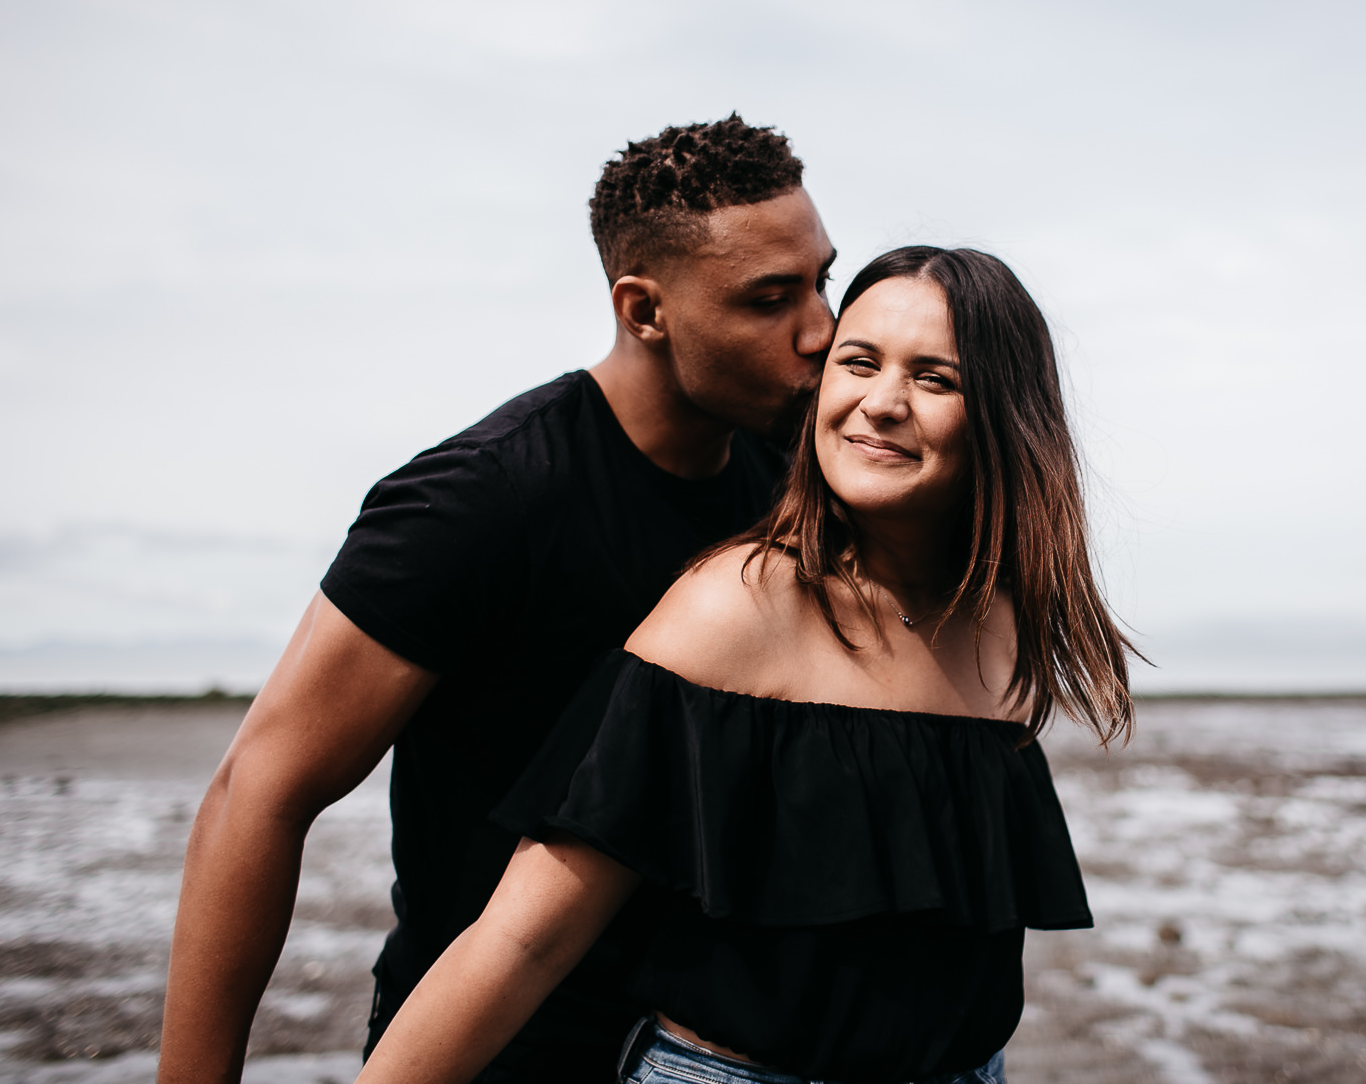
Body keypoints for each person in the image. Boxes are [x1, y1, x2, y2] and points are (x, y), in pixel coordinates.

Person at [157, 116, 838, 1084]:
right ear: (644, 310)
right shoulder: (482, 499)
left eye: (823, 281)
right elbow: (256, 793)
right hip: (493, 1053)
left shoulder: (790, 485)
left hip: (706, 1053)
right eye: (771, 300)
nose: (822, 330)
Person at [354, 247, 1135, 1084]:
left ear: (1005, 417)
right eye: (859, 362)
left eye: (936, 379)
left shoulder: (1003, 622)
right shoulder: (734, 606)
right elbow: (523, 939)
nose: (883, 403)